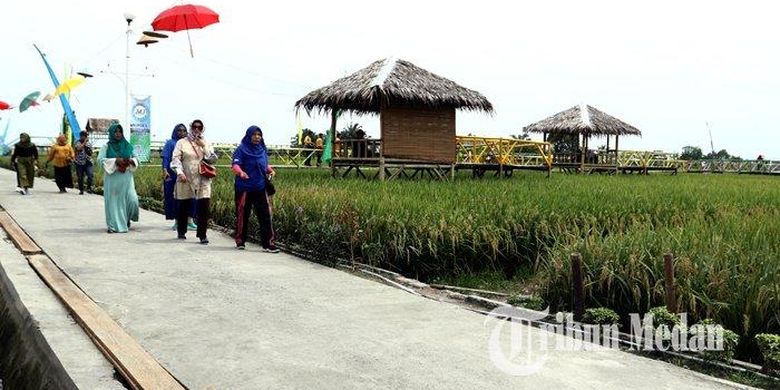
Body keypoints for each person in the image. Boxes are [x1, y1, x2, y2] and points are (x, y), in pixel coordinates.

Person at [231, 125, 278, 252]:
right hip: (245, 187)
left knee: (265, 215)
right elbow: (235, 164)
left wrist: (270, 170)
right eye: (254, 134)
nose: (257, 137)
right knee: (243, 215)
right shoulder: (241, 149)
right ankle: (240, 241)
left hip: (260, 187)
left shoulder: (262, 149)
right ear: (248, 135)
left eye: (259, 135)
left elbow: (263, 164)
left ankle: (268, 243)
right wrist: (241, 173)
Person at [171, 119, 216, 244]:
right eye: (194, 127)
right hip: (186, 177)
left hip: (203, 179)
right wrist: (179, 172)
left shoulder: (206, 142)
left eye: (199, 127)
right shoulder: (181, 142)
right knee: (183, 205)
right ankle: (181, 230)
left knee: (204, 206)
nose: (197, 129)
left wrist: (203, 146)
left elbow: (212, 159)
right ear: (191, 128)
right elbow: (175, 159)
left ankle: (202, 235)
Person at [97, 123, 140, 233]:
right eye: (115, 132)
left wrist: (131, 161)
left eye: (120, 131)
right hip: (113, 179)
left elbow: (136, 159)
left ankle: (127, 218)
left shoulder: (127, 145)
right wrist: (115, 161)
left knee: (132, 200)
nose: (118, 134)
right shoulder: (106, 146)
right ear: (111, 133)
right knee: (114, 202)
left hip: (127, 178)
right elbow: (100, 160)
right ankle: (112, 226)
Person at [162, 124, 197, 230]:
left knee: (192, 197)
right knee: (176, 198)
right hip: (173, 174)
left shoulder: (188, 143)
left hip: (188, 175)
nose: (182, 133)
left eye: (184, 130)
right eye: (179, 130)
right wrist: (164, 170)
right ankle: (177, 222)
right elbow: (166, 157)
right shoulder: (170, 143)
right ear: (175, 131)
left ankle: (190, 221)